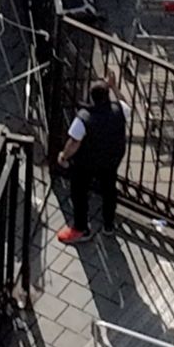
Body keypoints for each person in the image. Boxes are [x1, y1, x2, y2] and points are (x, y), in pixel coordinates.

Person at [55, 71, 126, 245]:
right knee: (109, 189)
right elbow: (125, 102)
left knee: (79, 192)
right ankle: (108, 225)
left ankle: (81, 228)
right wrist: (114, 86)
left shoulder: (84, 118)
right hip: (111, 159)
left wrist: (63, 156)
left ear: (91, 98)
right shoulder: (119, 110)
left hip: (88, 162)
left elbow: (74, 143)